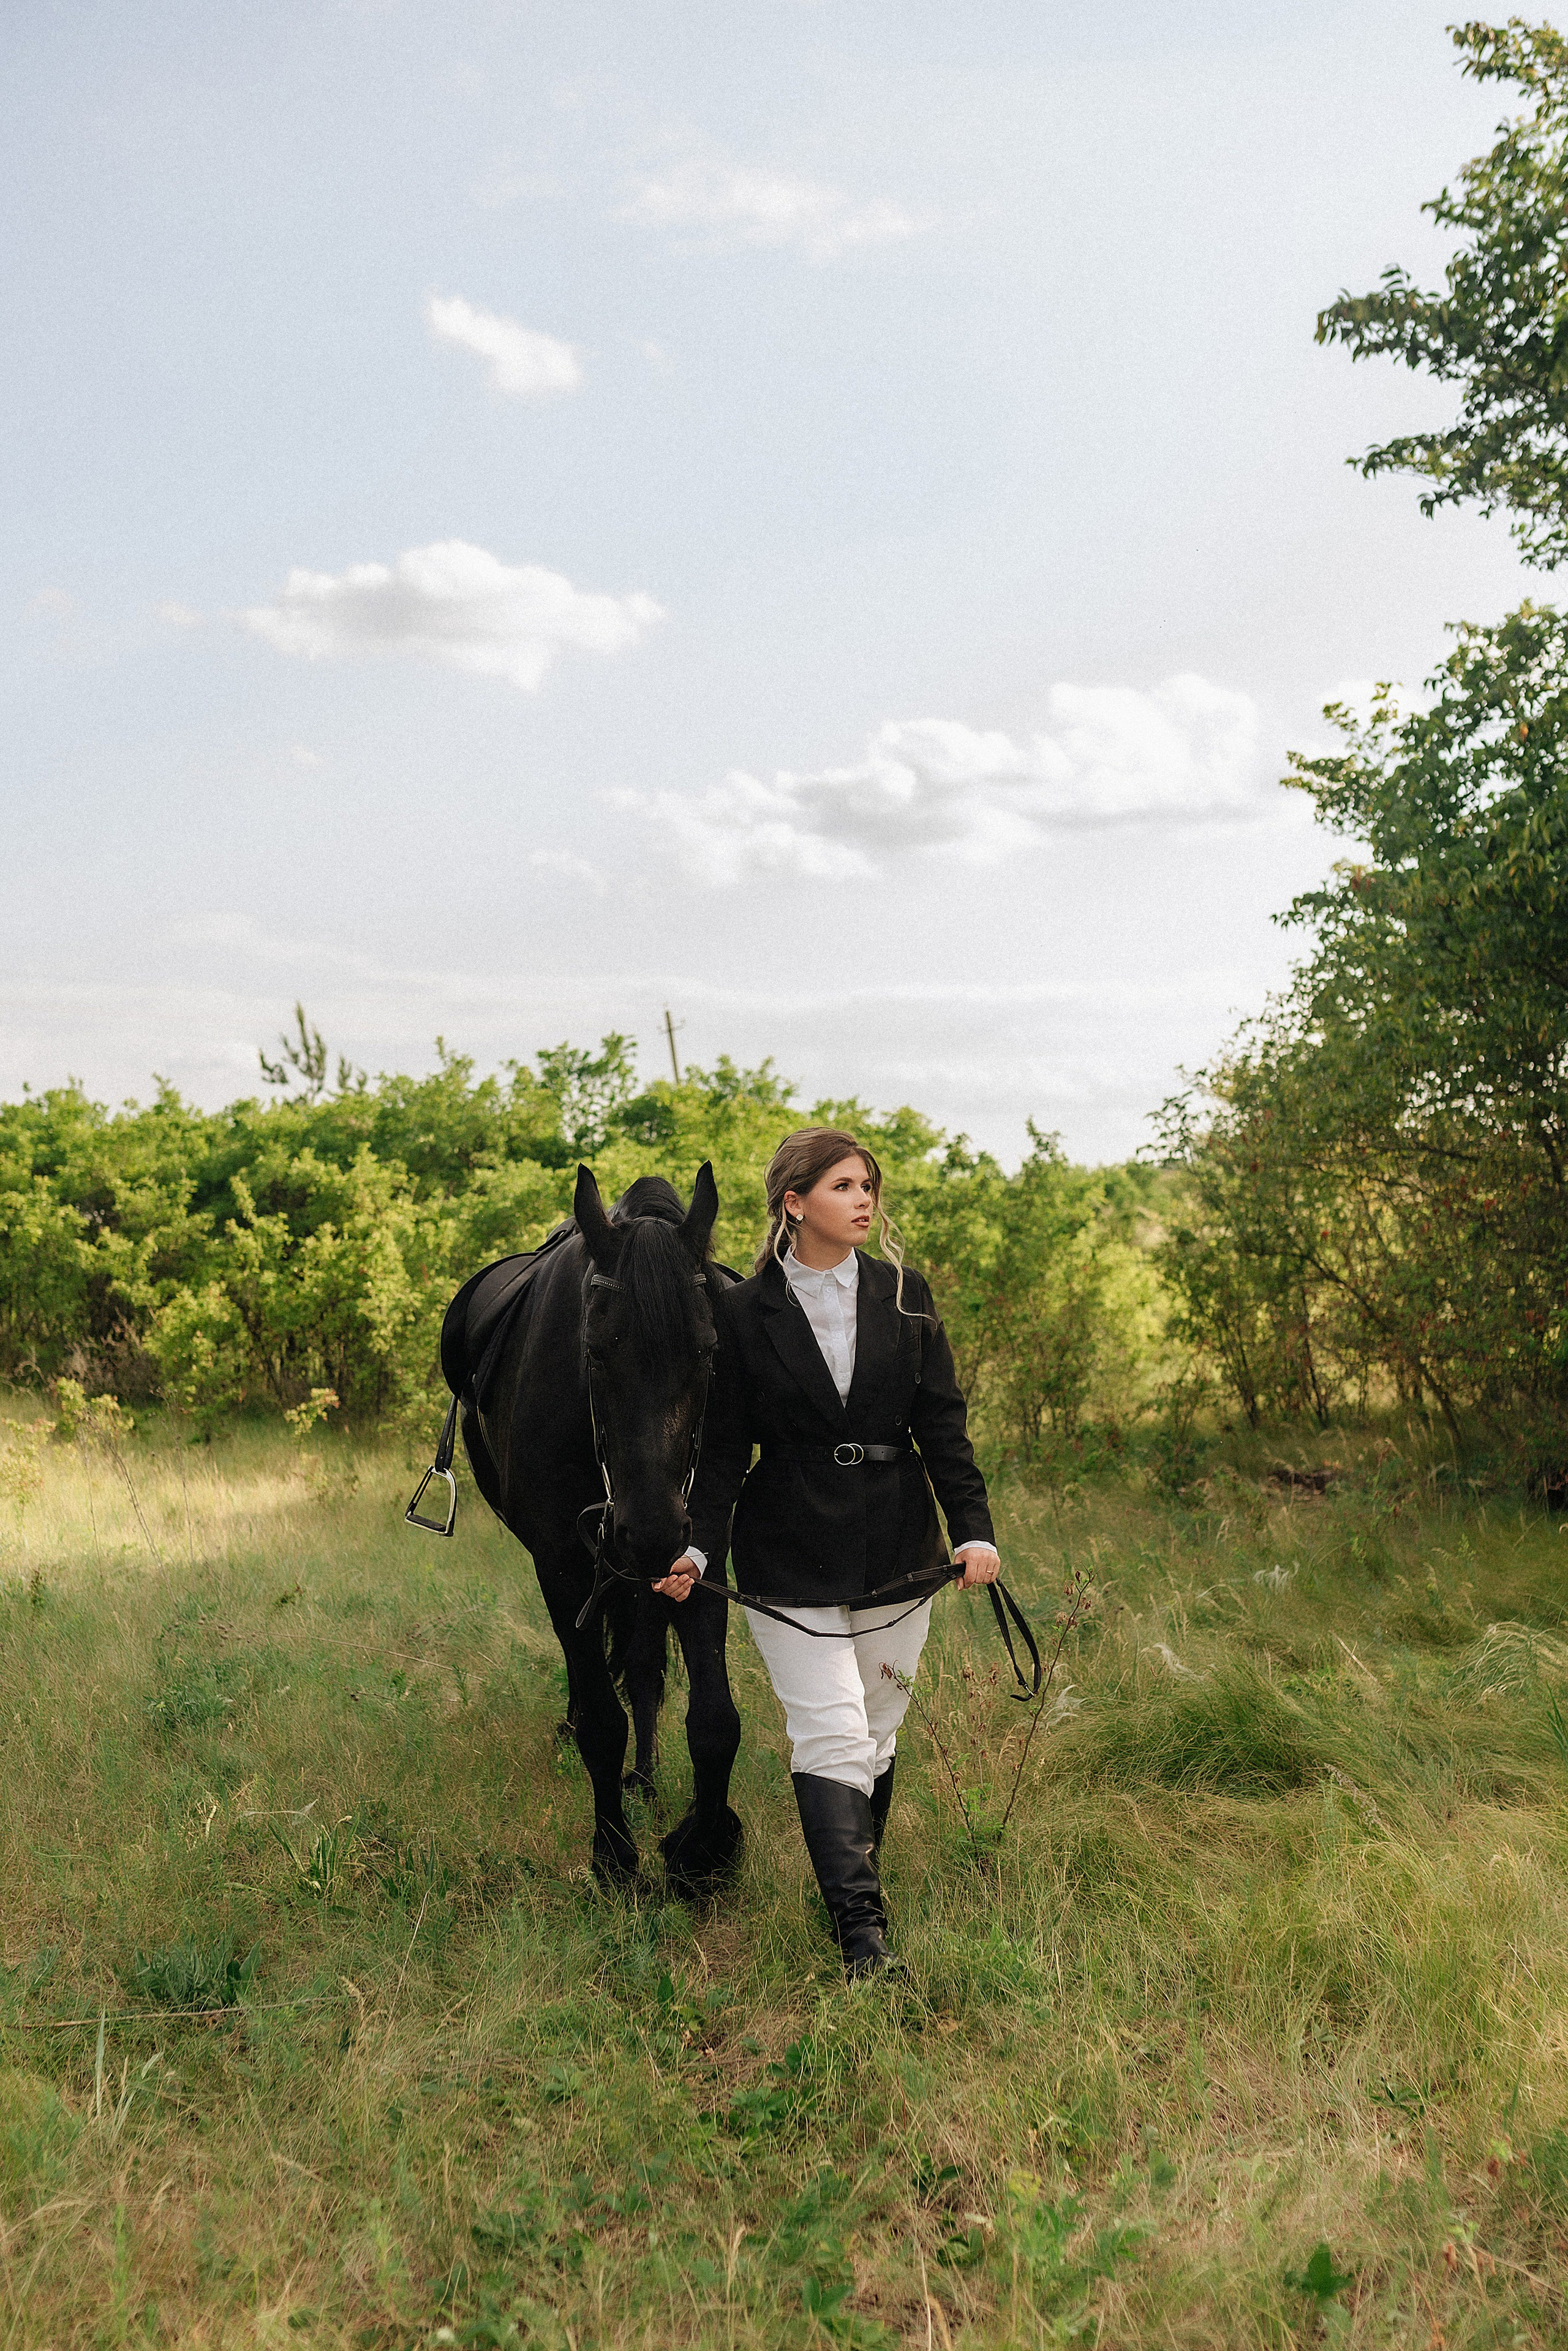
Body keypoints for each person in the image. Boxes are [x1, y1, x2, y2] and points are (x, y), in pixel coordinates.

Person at [655, 1126, 999, 1977]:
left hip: (896, 1541)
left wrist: (974, 1529)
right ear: (795, 1202)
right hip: (787, 1546)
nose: (864, 1199)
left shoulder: (905, 1295)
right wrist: (698, 1551)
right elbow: (722, 1450)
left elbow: (942, 1425)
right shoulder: (744, 1313)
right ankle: (862, 1939)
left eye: (868, 1185)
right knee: (832, 1729)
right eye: (844, 1185)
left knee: (876, 1731)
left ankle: (853, 1890)